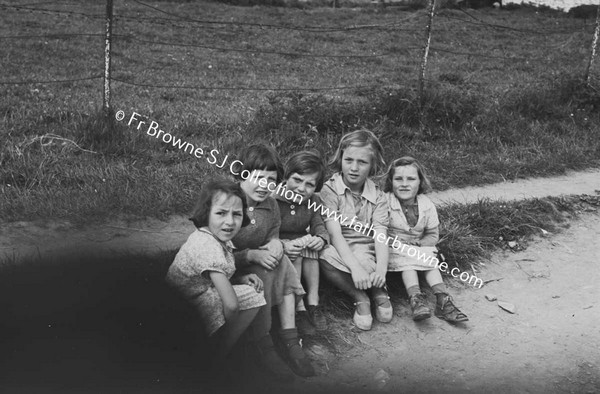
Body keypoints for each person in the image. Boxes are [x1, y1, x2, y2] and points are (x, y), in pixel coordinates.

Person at [231, 143, 315, 379]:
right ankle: (262, 341)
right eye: (258, 177)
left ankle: (290, 338)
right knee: (265, 270)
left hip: (258, 261)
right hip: (228, 267)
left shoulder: (270, 204)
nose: (264, 185)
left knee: (282, 261)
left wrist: (277, 243)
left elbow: (273, 234)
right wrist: (249, 255)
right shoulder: (229, 202)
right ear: (242, 174)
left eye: (271, 179)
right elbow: (215, 250)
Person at [165, 179, 266, 363]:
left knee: (254, 295)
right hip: (182, 306)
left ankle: (221, 350)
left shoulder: (217, 236)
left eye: (236, 214)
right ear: (206, 214)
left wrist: (240, 279)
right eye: (221, 213)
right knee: (228, 307)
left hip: (202, 293)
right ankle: (218, 352)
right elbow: (232, 305)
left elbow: (220, 273)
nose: (230, 222)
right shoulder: (206, 244)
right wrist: (229, 326)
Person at [318, 129, 392, 331]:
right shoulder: (330, 190)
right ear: (340, 157)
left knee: (386, 251)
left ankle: (378, 288)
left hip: (368, 249)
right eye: (348, 160)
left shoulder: (378, 196)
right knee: (324, 255)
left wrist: (381, 270)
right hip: (342, 248)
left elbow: (380, 235)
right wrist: (355, 268)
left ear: (373, 165)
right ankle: (359, 297)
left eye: (362, 162)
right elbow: (334, 234)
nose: (354, 168)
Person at [383, 156, 468, 323]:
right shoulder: (385, 201)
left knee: (429, 258)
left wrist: (420, 244)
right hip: (393, 246)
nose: (404, 184)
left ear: (420, 182)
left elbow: (432, 234)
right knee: (408, 265)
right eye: (398, 179)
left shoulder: (426, 205)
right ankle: (416, 299)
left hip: (418, 246)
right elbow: (379, 228)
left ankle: (443, 300)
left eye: (411, 179)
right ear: (390, 181)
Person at [276, 151, 330, 331]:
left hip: (299, 240)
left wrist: (321, 238)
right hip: (279, 242)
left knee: (311, 249)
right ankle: (298, 307)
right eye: (297, 180)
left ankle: (313, 302)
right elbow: (268, 230)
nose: (301, 188)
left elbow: (318, 223)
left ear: (316, 188)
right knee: (298, 253)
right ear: (286, 177)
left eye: (309, 185)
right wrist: (283, 245)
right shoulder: (274, 199)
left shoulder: (313, 201)